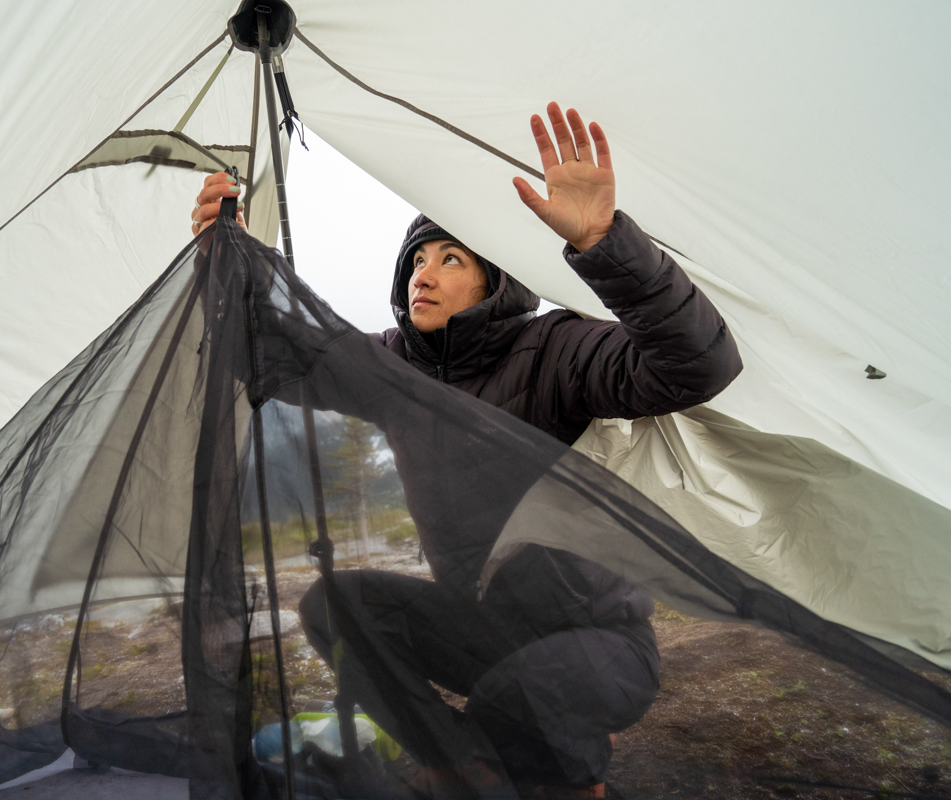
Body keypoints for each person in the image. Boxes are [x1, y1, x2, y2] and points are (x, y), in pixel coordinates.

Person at [191, 103, 742, 796]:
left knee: (517, 701)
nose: (422, 274)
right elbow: (270, 361)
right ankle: (458, 769)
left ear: (495, 280)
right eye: (416, 260)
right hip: (481, 631)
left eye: (450, 258)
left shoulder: (551, 349)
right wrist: (226, 261)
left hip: (599, 641)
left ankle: (565, 774)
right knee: (336, 607)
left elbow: (698, 367)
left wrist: (604, 243)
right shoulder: (394, 369)